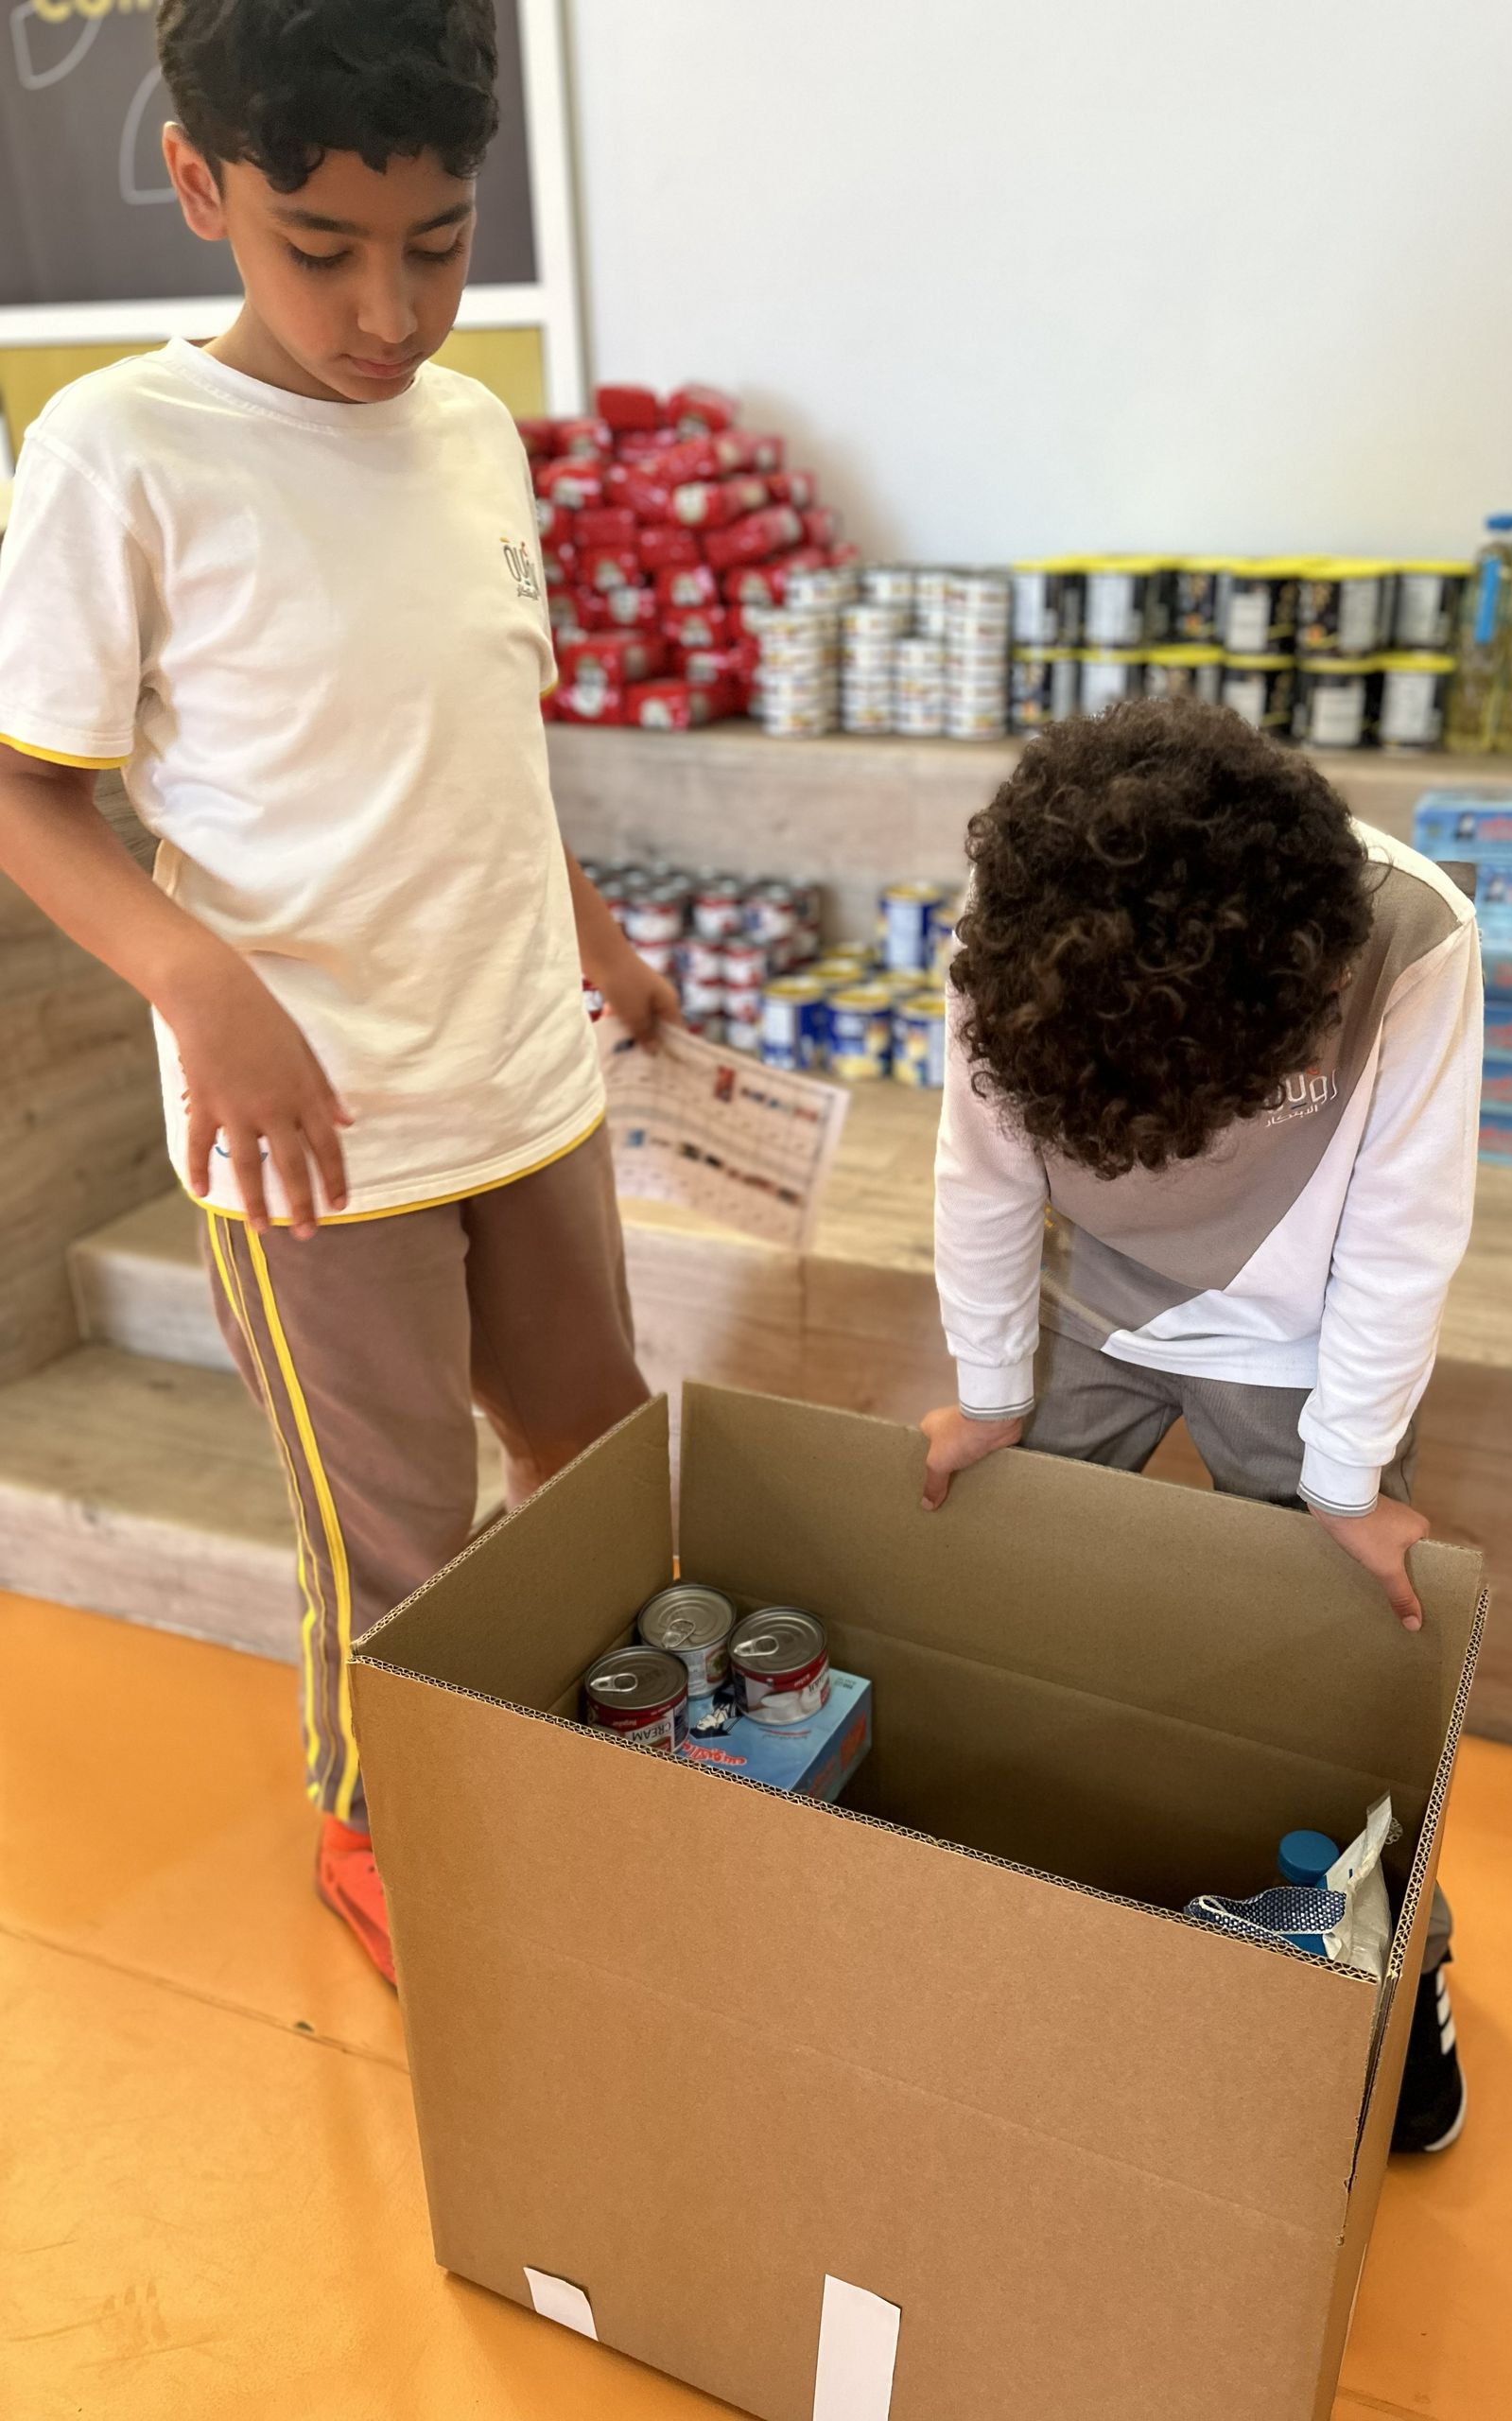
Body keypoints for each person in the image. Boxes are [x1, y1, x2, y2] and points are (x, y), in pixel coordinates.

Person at [0, 0, 669, 1984]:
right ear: (200, 184)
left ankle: (573, 1745)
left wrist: (587, 926)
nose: (392, 311)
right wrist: (191, 977)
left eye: (439, 244)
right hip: (308, 1142)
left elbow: (478, 739)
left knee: (599, 1453)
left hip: (519, 1075)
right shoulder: (121, 449)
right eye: (324, 249)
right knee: (397, 1533)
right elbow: (25, 793)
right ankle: (382, 1820)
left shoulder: (470, 434)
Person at [917, 698, 1482, 2153]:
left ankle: (1397, 1956)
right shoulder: (1020, 925)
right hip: (1088, 1303)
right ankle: (1020, 1886)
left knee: (1342, 1666)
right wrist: (992, 1392)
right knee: (1004, 1609)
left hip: (1303, 1336)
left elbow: (1404, 1235)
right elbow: (983, 1177)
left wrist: (1345, 1477)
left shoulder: (1410, 937)